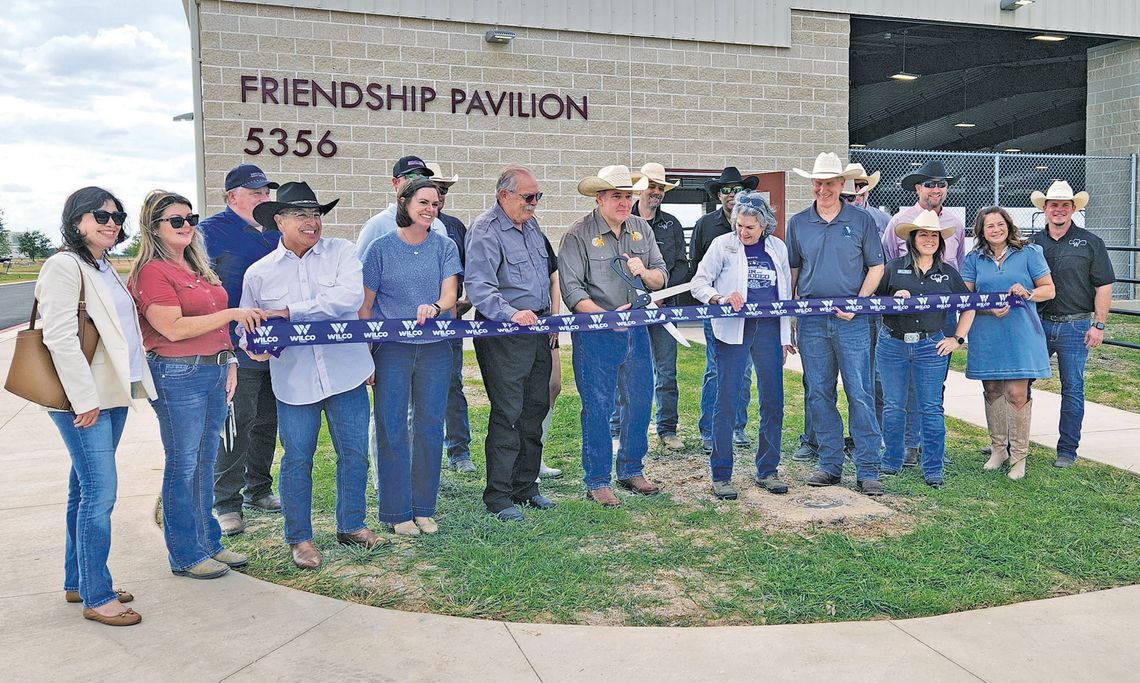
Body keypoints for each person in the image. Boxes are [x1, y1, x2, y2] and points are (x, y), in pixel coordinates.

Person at [243, 181, 387, 569]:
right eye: (302, 214)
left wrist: (289, 314)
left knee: (354, 453)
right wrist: (253, 343)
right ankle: (300, 539)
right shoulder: (258, 274)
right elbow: (248, 327)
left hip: (347, 373)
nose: (312, 222)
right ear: (280, 221)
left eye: (316, 214)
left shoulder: (342, 253)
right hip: (294, 382)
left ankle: (352, 525)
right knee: (296, 459)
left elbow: (348, 299)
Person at [37, 187, 155, 626]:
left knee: (83, 489)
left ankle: (78, 579)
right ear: (76, 219)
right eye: (99, 215)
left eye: (116, 216)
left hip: (112, 392)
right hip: (85, 400)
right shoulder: (63, 266)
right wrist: (82, 399)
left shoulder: (101, 265)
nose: (111, 222)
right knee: (100, 495)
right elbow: (61, 337)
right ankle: (97, 595)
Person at [129, 190, 256, 579]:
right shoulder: (153, 271)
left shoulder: (194, 266)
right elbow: (172, 327)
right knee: (184, 464)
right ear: (154, 228)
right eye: (176, 221)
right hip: (178, 374)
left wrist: (229, 358)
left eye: (191, 218)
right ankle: (185, 554)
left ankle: (208, 543)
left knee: (203, 464)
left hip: (214, 369)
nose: (187, 226)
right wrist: (234, 314)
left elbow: (212, 320)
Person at [558, 165, 667, 507]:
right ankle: (597, 480)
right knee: (598, 407)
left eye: (628, 196)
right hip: (596, 333)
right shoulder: (577, 235)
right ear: (600, 198)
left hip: (636, 328)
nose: (624, 203)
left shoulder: (641, 230)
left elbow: (661, 276)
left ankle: (632, 469)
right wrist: (604, 318)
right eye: (616, 196)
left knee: (639, 402)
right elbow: (571, 290)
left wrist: (645, 272)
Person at [360, 177, 461, 535]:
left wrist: (435, 306)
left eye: (435, 204)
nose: (430, 209)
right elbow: (365, 307)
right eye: (423, 202)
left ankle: (423, 508)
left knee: (431, 426)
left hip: (435, 348)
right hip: (391, 351)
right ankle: (395, 512)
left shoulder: (444, 246)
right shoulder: (380, 249)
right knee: (391, 428)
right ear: (404, 202)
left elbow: (450, 293)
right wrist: (366, 355)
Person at [785, 152, 885, 496]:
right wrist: (794, 315)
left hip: (853, 321)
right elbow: (793, 270)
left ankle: (868, 467)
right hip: (813, 319)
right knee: (818, 392)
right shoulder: (798, 223)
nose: (822, 188)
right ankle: (829, 464)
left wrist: (859, 302)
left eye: (829, 182)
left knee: (859, 391)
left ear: (841, 184)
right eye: (817, 182)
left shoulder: (862, 220)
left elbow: (876, 266)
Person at [464, 165, 558, 521]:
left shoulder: (530, 226)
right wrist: (510, 314)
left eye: (538, 197)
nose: (534, 204)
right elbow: (480, 287)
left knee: (536, 407)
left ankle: (526, 486)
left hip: (536, 328)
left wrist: (547, 315)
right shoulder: (485, 231)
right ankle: (499, 496)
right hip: (504, 331)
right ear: (504, 195)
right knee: (509, 412)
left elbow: (545, 273)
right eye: (528, 197)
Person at [691, 191, 794, 499]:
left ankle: (767, 470)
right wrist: (720, 298)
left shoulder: (778, 248)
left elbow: (786, 293)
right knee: (727, 400)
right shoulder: (722, 245)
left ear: (765, 225)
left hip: (770, 330)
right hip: (733, 329)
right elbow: (699, 283)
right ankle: (721, 474)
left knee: (773, 400)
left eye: (750, 227)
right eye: (739, 225)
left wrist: (786, 337)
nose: (743, 232)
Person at [199, 163, 281, 536]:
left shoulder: (274, 231)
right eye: (256, 193)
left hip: (276, 345)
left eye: (267, 193)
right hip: (236, 346)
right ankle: (227, 502)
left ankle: (259, 490)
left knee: (267, 420)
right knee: (237, 422)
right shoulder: (209, 233)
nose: (264, 199)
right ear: (233, 197)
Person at [875, 210, 975, 487]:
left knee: (931, 407)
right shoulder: (893, 268)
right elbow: (874, 300)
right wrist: (894, 297)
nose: (929, 239)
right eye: (924, 235)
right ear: (913, 238)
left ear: (940, 241)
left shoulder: (949, 274)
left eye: (934, 235)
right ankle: (892, 460)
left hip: (930, 345)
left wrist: (957, 338)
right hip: (892, 343)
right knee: (893, 405)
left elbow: (970, 306)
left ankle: (933, 467)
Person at [961, 206, 1055, 480]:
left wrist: (1027, 293)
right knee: (992, 390)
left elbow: (1049, 289)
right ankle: (998, 449)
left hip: (1021, 333)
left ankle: (1019, 456)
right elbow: (966, 299)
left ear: (1008, 225)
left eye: (1000, 224)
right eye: (989, 226)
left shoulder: (1029, 253)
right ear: (981, 231)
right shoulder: (973, 259)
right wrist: (988, 308)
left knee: (1016, 392)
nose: (996, 229)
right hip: (987, 332)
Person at [1028, 181, 1114, 468]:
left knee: (1073, 387)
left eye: (1065, 205)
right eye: (1053, 204)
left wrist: (1099, 324)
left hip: (1075, 325)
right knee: (1019, 381)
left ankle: (1067, 449)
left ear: (1074, 208)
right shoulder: (1032, 244)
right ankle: (1012, 442)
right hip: (1038, 323)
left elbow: (1103, 285)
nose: (1059, 210)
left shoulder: (1091, 243)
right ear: (1045, 209)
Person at [610, 163, 688, 451]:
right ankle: (618, 429)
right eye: (651, 186)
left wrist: (662, 295)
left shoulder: (673, 225)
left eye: (660, 188)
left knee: (667, 370)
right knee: (624, 368)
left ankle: (667, 429)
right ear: (639, 188)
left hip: (664, 309)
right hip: (629, 309)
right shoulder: (621, 222)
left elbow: (681, 265)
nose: (656, 192)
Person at [689, 166, 757, 453]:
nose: (732, 195)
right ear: (719, 195)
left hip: (749, 313)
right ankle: (709, 429)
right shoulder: (706, 226)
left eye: (737, 189)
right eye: (726, 190)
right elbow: (697, 270)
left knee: (743, 372)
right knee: (715, 371)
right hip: (717, 311)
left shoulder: (758, 225)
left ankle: (738, 426)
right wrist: (716, 297)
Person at [427, 163, 475, 474]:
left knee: (452, 385)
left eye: (443, 191)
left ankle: (459, 451)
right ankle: (424, 456)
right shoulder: (395, 225)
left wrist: (465, 301)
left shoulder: (456, 227)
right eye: (435, 189)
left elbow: (472, 272)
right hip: (411, 324)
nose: (439, 196)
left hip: (449, 322)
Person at [356, 155, 447, 258]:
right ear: (395, 182)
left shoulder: (438, 225)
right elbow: (359, 267)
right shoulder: (377, 225)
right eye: (412, 177)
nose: (418, 182)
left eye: (423, 178)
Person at [841, 163, 890, 237]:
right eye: (853, 185)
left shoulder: (884, 219)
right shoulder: (835, 217)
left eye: (862, 185)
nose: (857, 190)